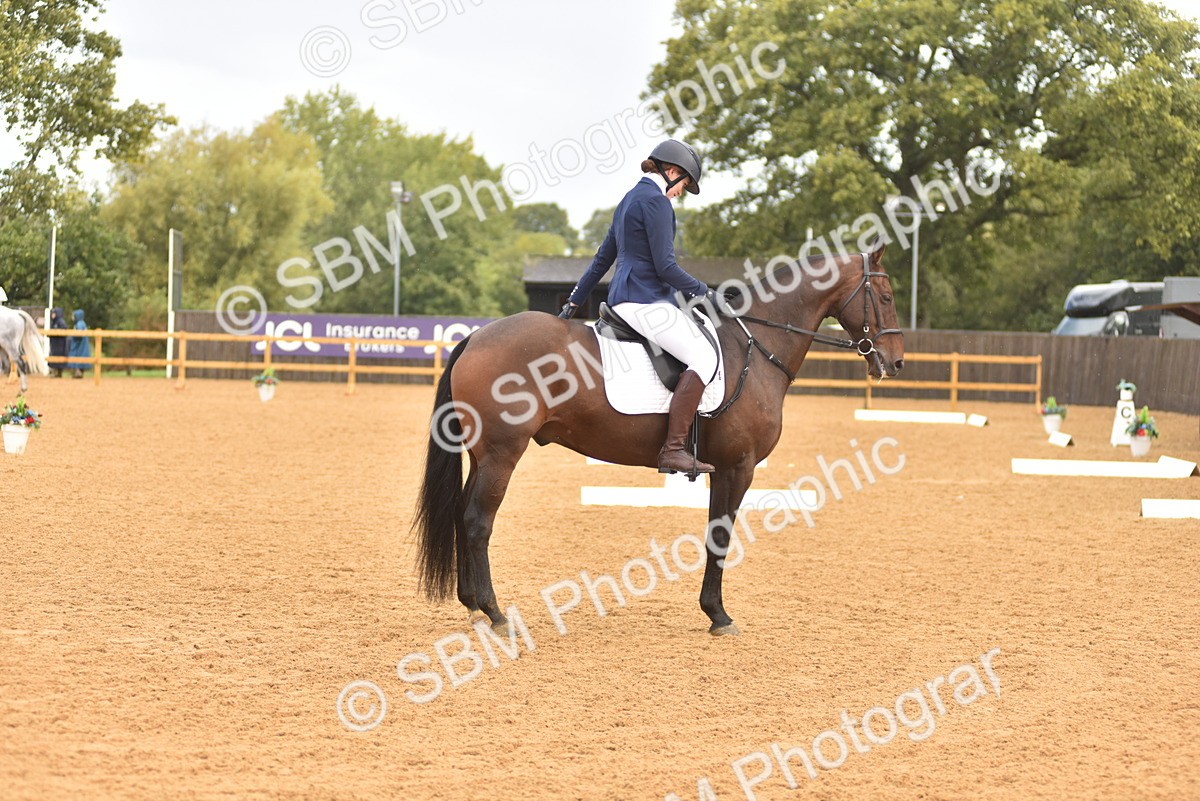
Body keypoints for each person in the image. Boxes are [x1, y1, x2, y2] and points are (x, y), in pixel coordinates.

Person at [559, 139, 734, 475]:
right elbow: (666, 268)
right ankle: (673, 449)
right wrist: (706, 293)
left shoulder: (628, 201)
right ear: (671, 172)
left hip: (621, 301)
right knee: (704, 357)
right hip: (646, 302)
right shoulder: (657, 203)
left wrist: (573, 302)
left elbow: (601, 260)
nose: (682, 192)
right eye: (684, 183)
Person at [66, 309, 92, 379]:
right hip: (81, 344)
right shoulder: (82, 323)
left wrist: (72, 336)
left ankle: (78, 373)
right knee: (80, 358)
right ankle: (78, 373)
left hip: (79, 345)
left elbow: (79, 334)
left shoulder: (79, 324)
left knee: (77, 357)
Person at [48, 308, 68, 377]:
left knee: (58, 357)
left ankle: (58, 373)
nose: (52, 315)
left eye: (54, 313)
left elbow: (64, 330)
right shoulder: (53, 322)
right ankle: (55, 372)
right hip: (54, 344)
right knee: (53, 356)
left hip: (60, 344)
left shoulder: (61, 321)